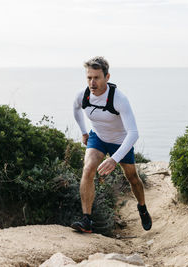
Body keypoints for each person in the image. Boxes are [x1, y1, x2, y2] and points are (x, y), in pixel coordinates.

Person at [71, 56, 152, 233]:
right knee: (88, 169)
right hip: (98, 137)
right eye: (89, 77)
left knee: (132, 177)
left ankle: (142, 207)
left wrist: (114, 160)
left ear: (107, 77)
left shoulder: (119, 99)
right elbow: (76, 109)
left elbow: (133, 133)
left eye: (97, 77)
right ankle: (87, 220)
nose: (92, 82)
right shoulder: (83, 95)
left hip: (120, 141)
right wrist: (84, 132)